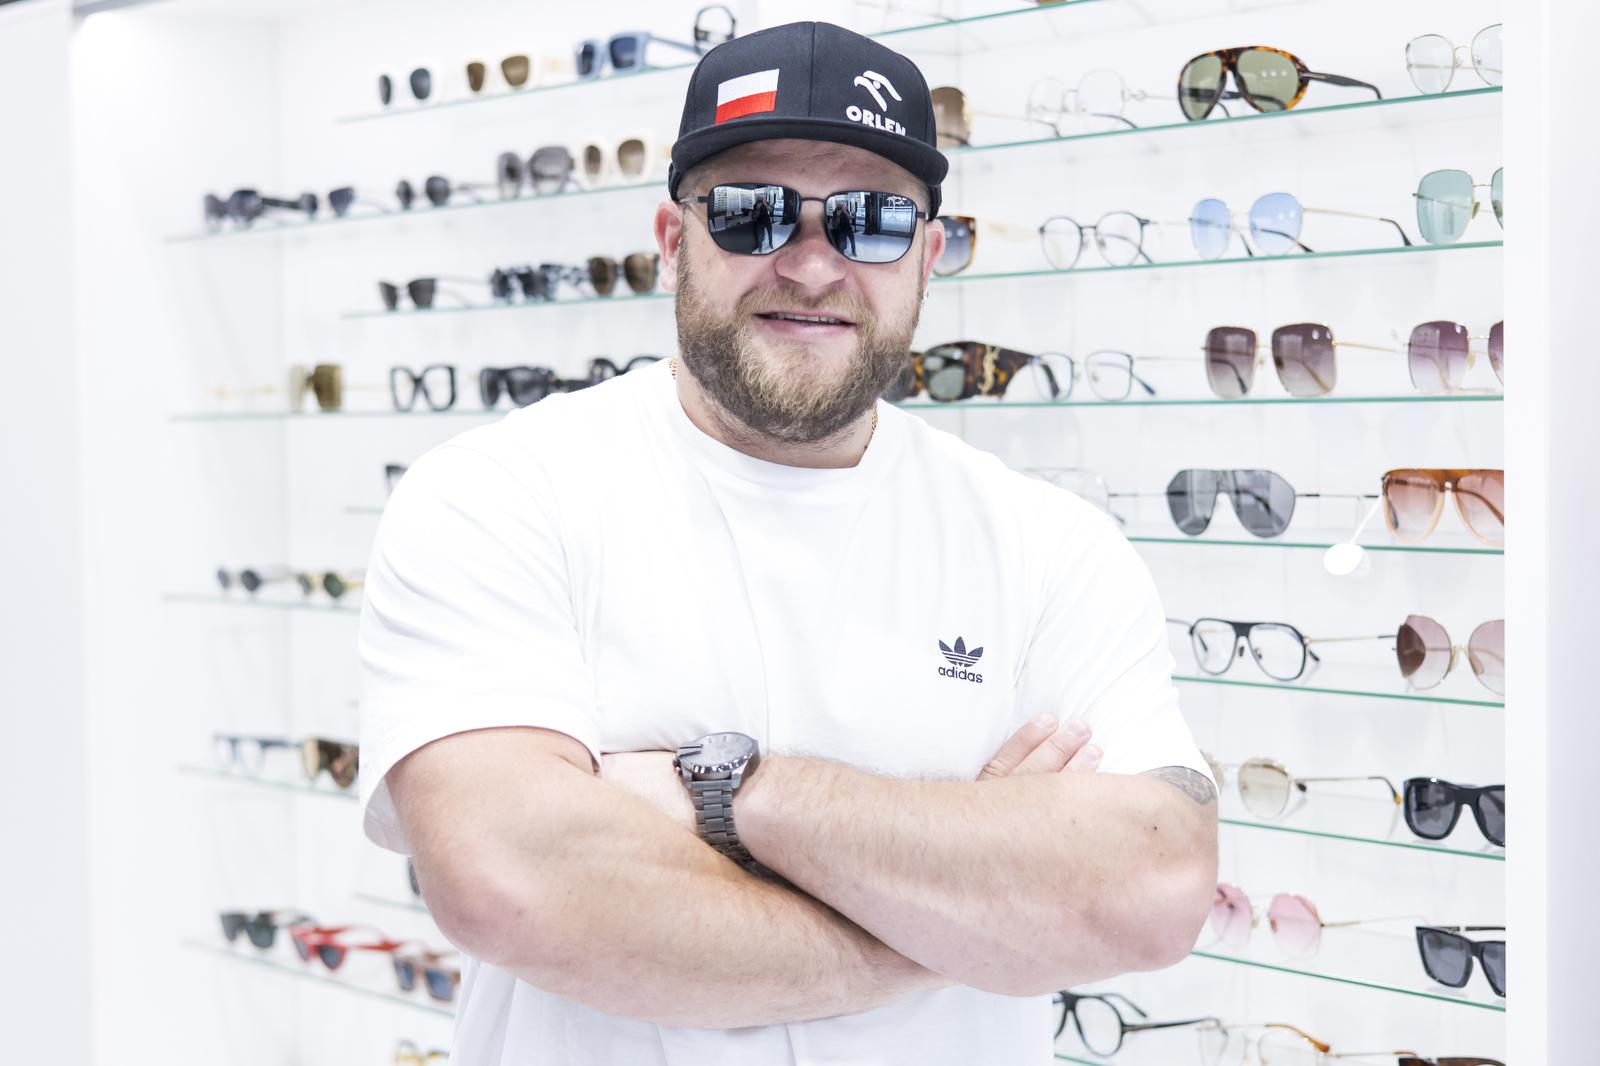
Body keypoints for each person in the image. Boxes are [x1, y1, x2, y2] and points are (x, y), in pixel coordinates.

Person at [357, 20, 1216, 1066]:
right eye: (751, 213)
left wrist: (726, 791)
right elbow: (515, 885)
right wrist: (959, 921)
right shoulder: (500, 497)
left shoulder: (1046, 546)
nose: (812, 265)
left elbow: (1155, 889)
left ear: (928, 257)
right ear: (673, 241)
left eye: (871, 221)